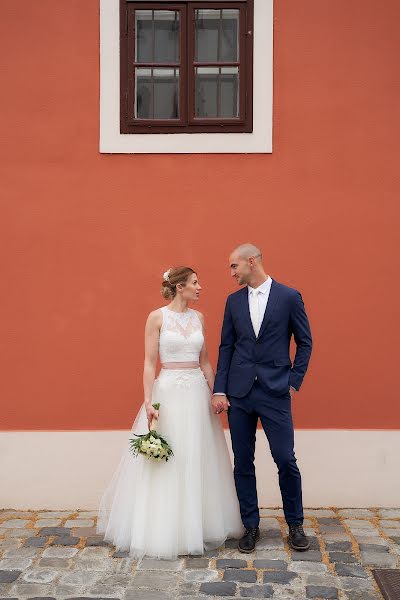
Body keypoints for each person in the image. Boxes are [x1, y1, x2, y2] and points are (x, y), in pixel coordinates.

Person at [96, 266, 244, 559]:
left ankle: (197, 526)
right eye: (195, 283)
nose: (200, 287)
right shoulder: (157, 317)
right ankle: (165, 529)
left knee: (197, 457)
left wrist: (217, 393)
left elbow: (204, 362)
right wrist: (148, 401)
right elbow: (150, 363)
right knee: (167, 460)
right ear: (179, 287)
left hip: (196, 394)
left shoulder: (199, 318)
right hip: (169, 395)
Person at [211, 244, 313, 553]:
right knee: (243, 461)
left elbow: (305, 342)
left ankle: (295, 524)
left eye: (234, 266)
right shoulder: (233, 302)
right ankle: (250, 526)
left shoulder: (289, 297)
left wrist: (293, 381)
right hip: (240, 393)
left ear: (251, 262)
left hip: (275, 391)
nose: (231, 273)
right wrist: (220, 388)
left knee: (285, 459)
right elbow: (226, 347)